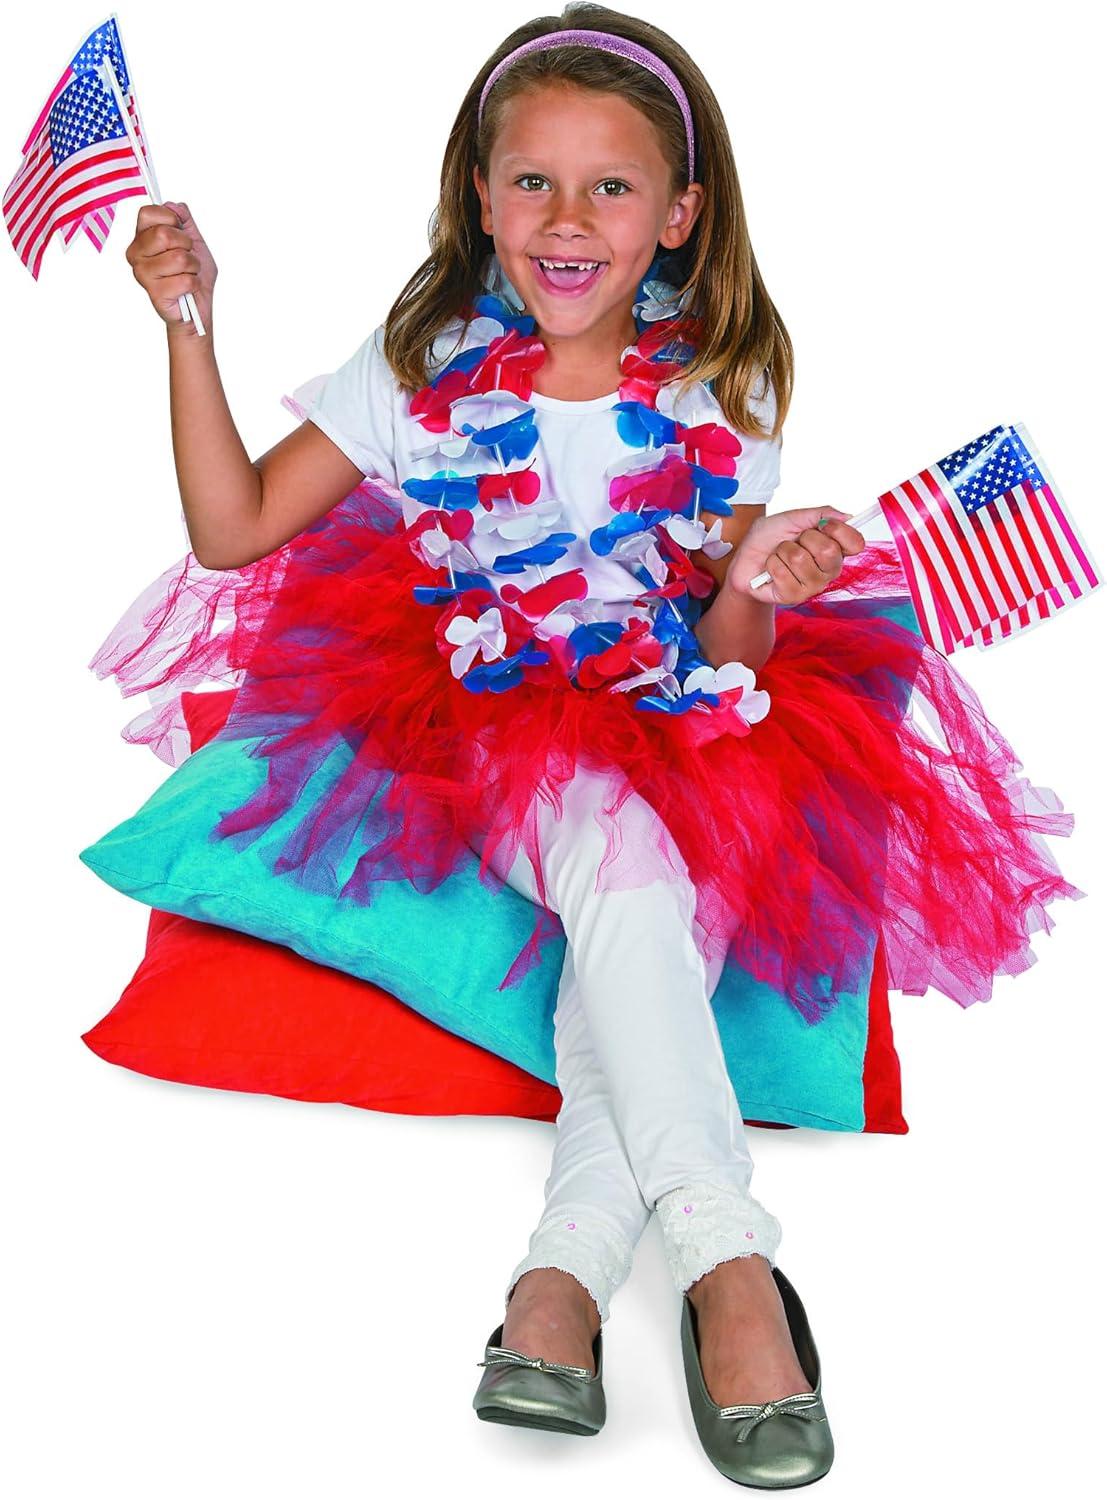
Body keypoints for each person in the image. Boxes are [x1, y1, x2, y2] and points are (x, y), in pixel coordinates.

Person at [106, 5, 1083, 1486]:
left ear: (676, 215)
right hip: (492, 719)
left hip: (679, 713)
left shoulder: (722, 385)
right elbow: (232, 527)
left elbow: (725, 655)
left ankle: (558, 1283)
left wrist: (758, 586)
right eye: (534, 182)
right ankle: (730, 1267)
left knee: (647, 924)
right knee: (618, 855)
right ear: (481, 196)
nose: (568, 221)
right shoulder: (418, 364)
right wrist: (189, 324)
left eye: (611, 188)